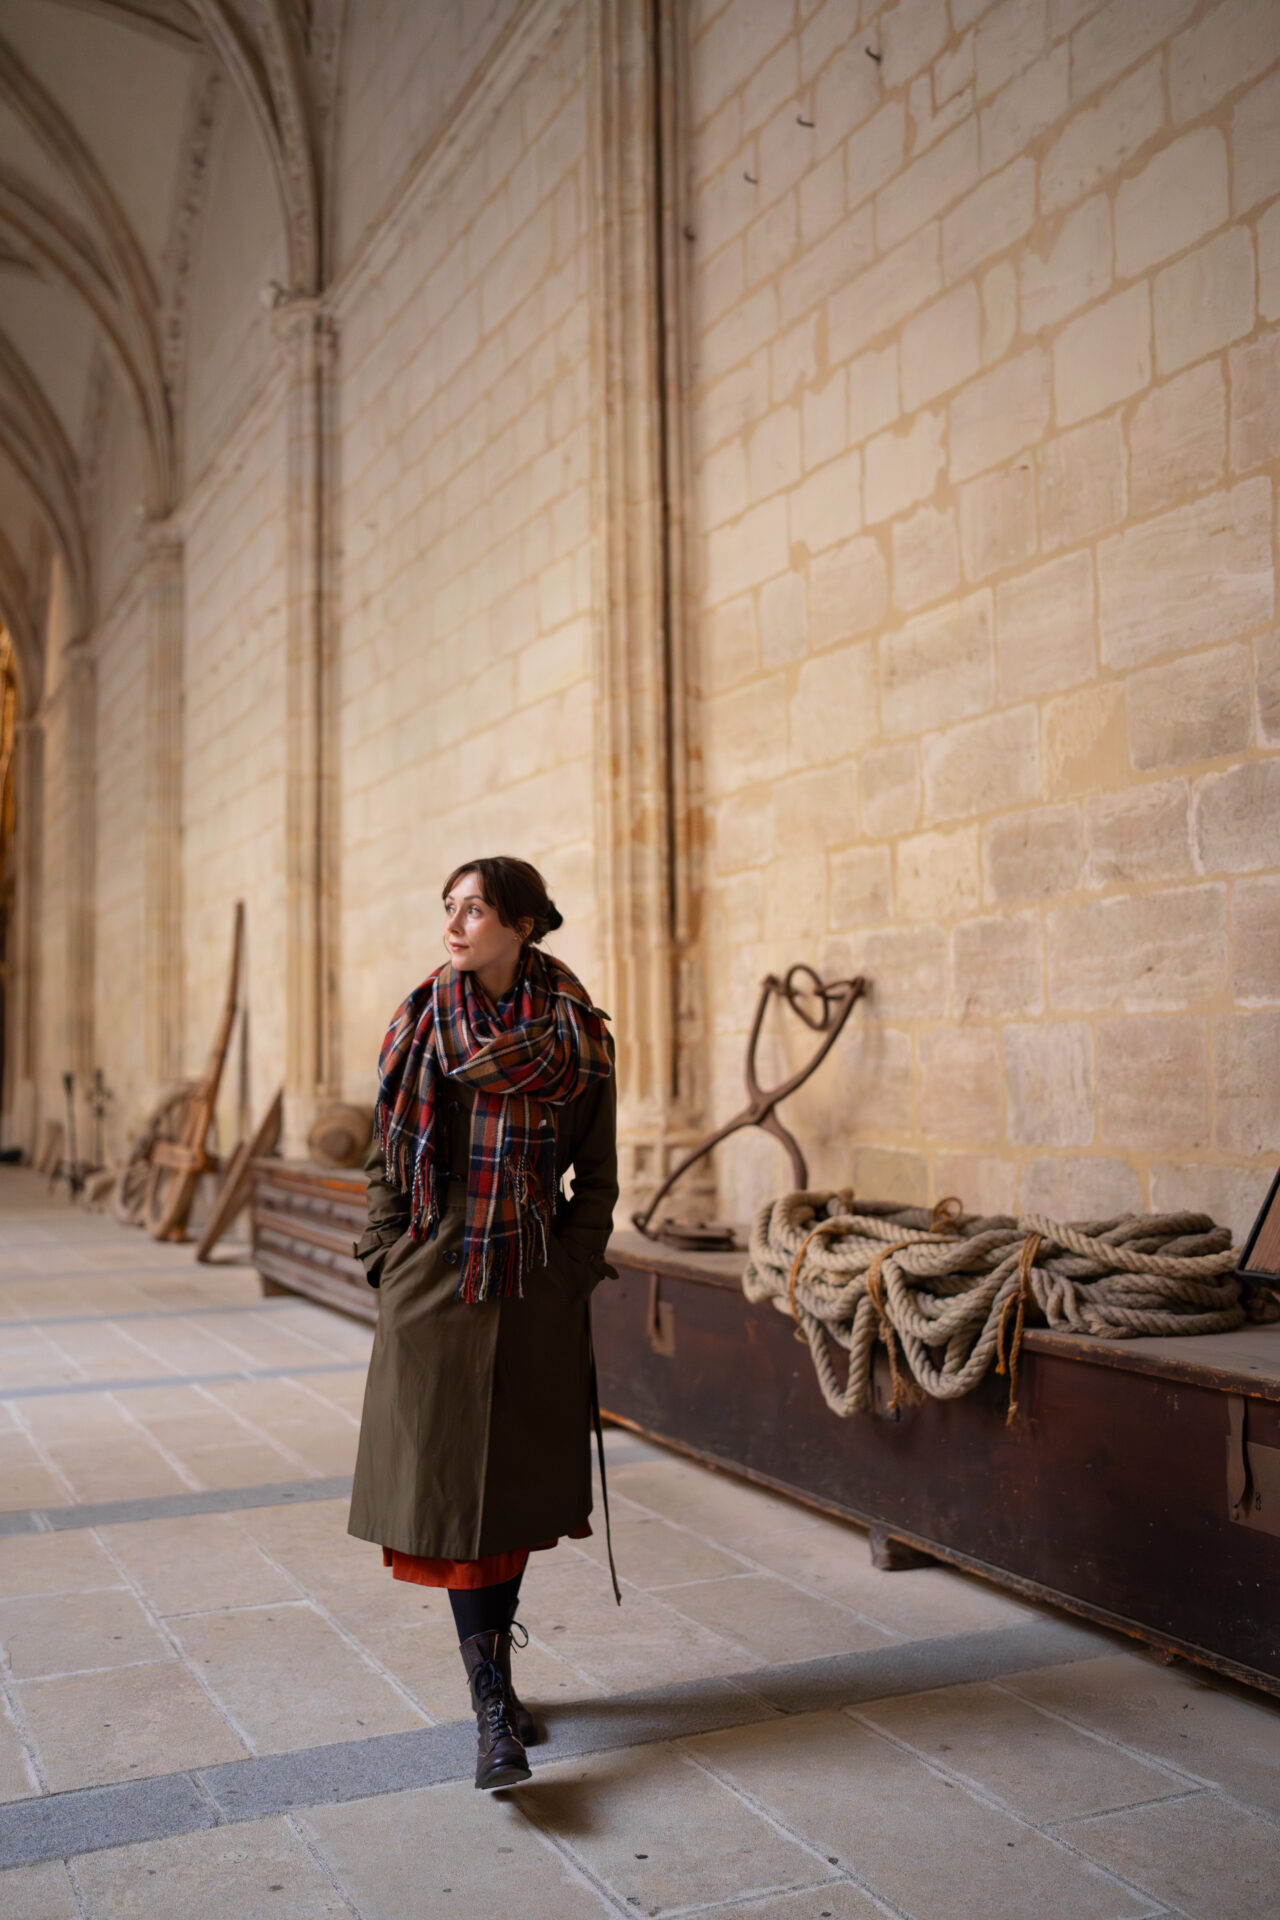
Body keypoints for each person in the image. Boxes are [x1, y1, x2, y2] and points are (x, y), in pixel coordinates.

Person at [348, 856, 618, 1789]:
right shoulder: (422, 1019)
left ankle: (494, 1681)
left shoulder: (577, 1036)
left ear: (525, 925)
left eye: (476, 909)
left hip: (531, 1278)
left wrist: (572, 1269)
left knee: (503, 1500)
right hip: (434, 1278)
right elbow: (386, 1155)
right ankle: (492, 1711)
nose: (456, 924)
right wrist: (389, 1259)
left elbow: (599, 1176)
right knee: (456, 1505)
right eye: (450, 906)